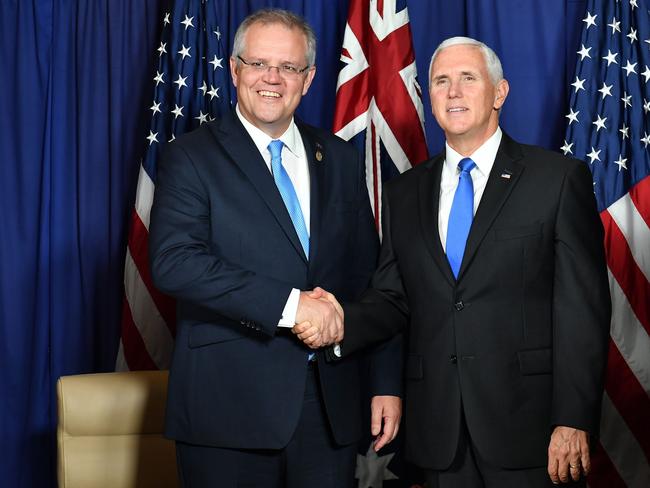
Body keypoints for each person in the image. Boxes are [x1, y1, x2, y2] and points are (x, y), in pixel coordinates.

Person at [295, 37, 611, 487]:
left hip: (533, 430)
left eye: (468, 78)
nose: (453, 92)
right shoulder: (406, 192)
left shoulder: (557, 180)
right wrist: (341, 319)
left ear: (499, 93)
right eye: (441, 81)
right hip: (439, 430)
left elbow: (583, 311)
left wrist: (574, 418)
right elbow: (392, 298)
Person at [149, 9, 402, 488]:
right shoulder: (191, 156)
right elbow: (174, 262)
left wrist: (386, 382)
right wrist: (293, 307)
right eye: (259, 63)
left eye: (288, 67)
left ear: (307, 79)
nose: (272, 79)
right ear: (235, 68)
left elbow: (373, 280)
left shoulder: (341, 158)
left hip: (330, 410)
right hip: (227, 410)